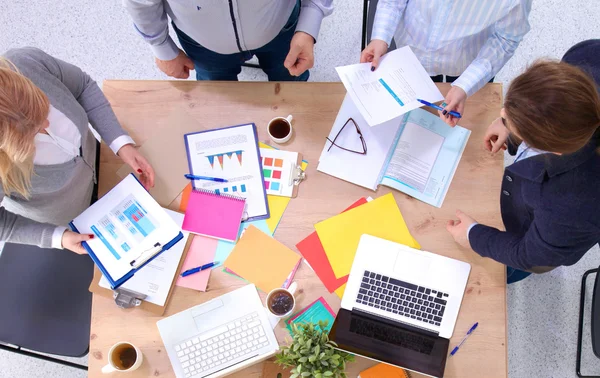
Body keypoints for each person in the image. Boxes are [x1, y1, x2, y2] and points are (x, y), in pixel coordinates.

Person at [446, 40, 600, 284]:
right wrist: (509, 124)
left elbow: (529, 254)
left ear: (550, 147)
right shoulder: (587, 57)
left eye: (511, 118)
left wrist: (473, 235)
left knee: (505, 270)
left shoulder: (572, 206)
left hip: (537, 240)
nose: (502, 113)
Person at [0, 47, 155, 255]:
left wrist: (120, 143)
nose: (47, 122)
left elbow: (83, 87)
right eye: (34, 130)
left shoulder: (25, 62)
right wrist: (57, 237)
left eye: (44, 107)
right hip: (71, 217)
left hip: (105, 170)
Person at [361, 1, 532, 127]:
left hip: (468, 62)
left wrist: (465, 86)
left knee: (467, 124)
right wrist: (381, 37)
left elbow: (506, 38)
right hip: (412, 47)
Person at [123, 0, 333, 81]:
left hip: (282, 26)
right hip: (203, 43)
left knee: (292, 87)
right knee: (219, 109)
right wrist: (162, 48)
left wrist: (308, 24)